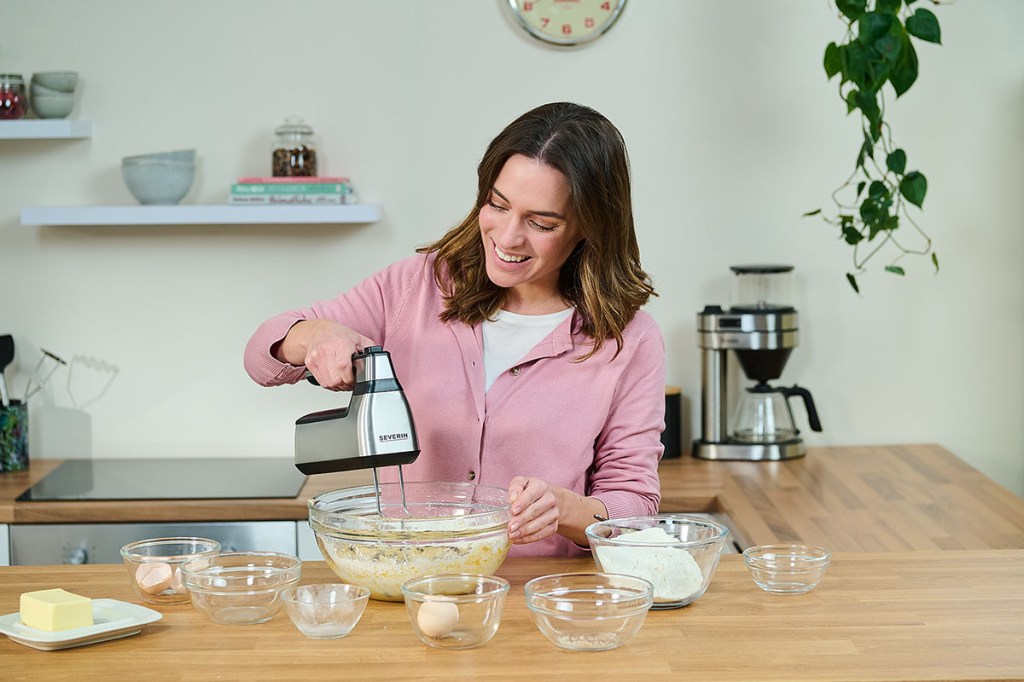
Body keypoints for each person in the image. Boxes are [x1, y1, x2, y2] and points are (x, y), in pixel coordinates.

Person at [244, 102, 666, 557]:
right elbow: (260, 354)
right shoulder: (416, 286)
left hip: (539, 599)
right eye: (497, 205)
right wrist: (316, 335)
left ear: (589, 226)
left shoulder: (629, 339)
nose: (507, 237)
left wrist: (566, 510)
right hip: (407, 583)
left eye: (541, 222)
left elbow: (635, 506)